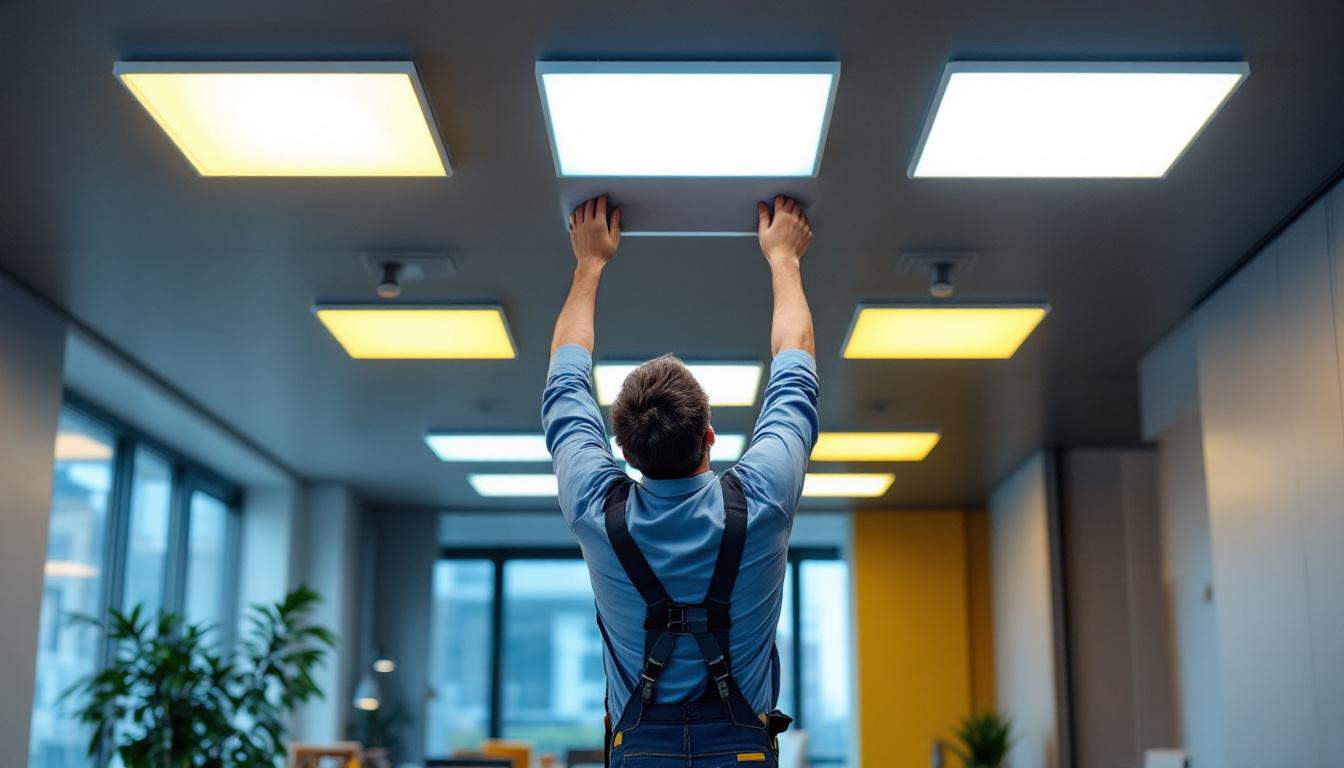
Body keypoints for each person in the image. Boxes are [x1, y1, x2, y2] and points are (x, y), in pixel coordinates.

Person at [542, 194, 819, 767]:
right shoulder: (763, 500)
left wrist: (588, 263)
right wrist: (783, 257)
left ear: (624, 452)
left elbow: (565, 384)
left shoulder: (596, 510)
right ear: (710, 436)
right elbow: (794, 364)